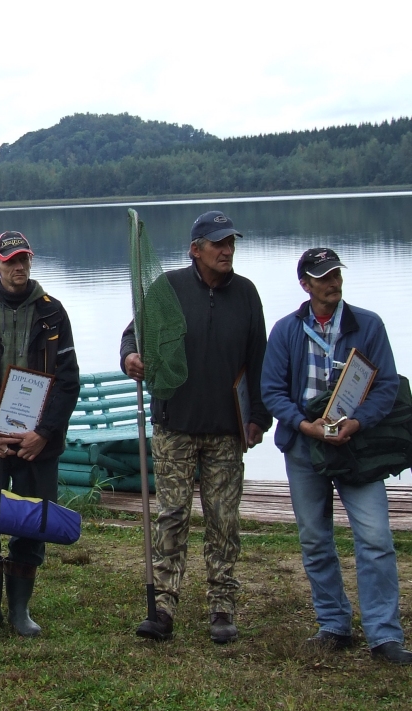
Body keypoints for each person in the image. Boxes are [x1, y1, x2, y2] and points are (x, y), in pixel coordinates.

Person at [121, 211, 272, 644]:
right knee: (172, 515)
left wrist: (259, 415)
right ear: (195, 249)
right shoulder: (167, 288)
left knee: (224, 519)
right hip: (174, 425)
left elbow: (257, 358)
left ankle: (222, 607)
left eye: (231, 243)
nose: (227, 251)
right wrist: (130, 357)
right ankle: (164, 606)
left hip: (227, 429)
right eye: (218, 243)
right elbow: (134, 336)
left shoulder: (246, 294)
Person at [261, 248, 412, 665]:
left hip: (357, 448)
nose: (333, 282)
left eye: (336, 274)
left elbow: (386, 386)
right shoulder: (285, 331)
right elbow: (271, 391)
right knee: (314, 540)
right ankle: (333, 625)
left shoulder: (369, 325)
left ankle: (384, 636)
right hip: (304, 448)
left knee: (377, 539)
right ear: (305, 284)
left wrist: (358, 422)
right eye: (323, 276)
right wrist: (302, 424)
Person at [0, 231, 81, 637]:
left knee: (33, 523)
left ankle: (20, 611)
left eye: (23, 259)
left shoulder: (54, 313)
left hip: (36, 446)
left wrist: (43, 433)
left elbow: (68, 381)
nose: (18, 267)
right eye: (9, 261)